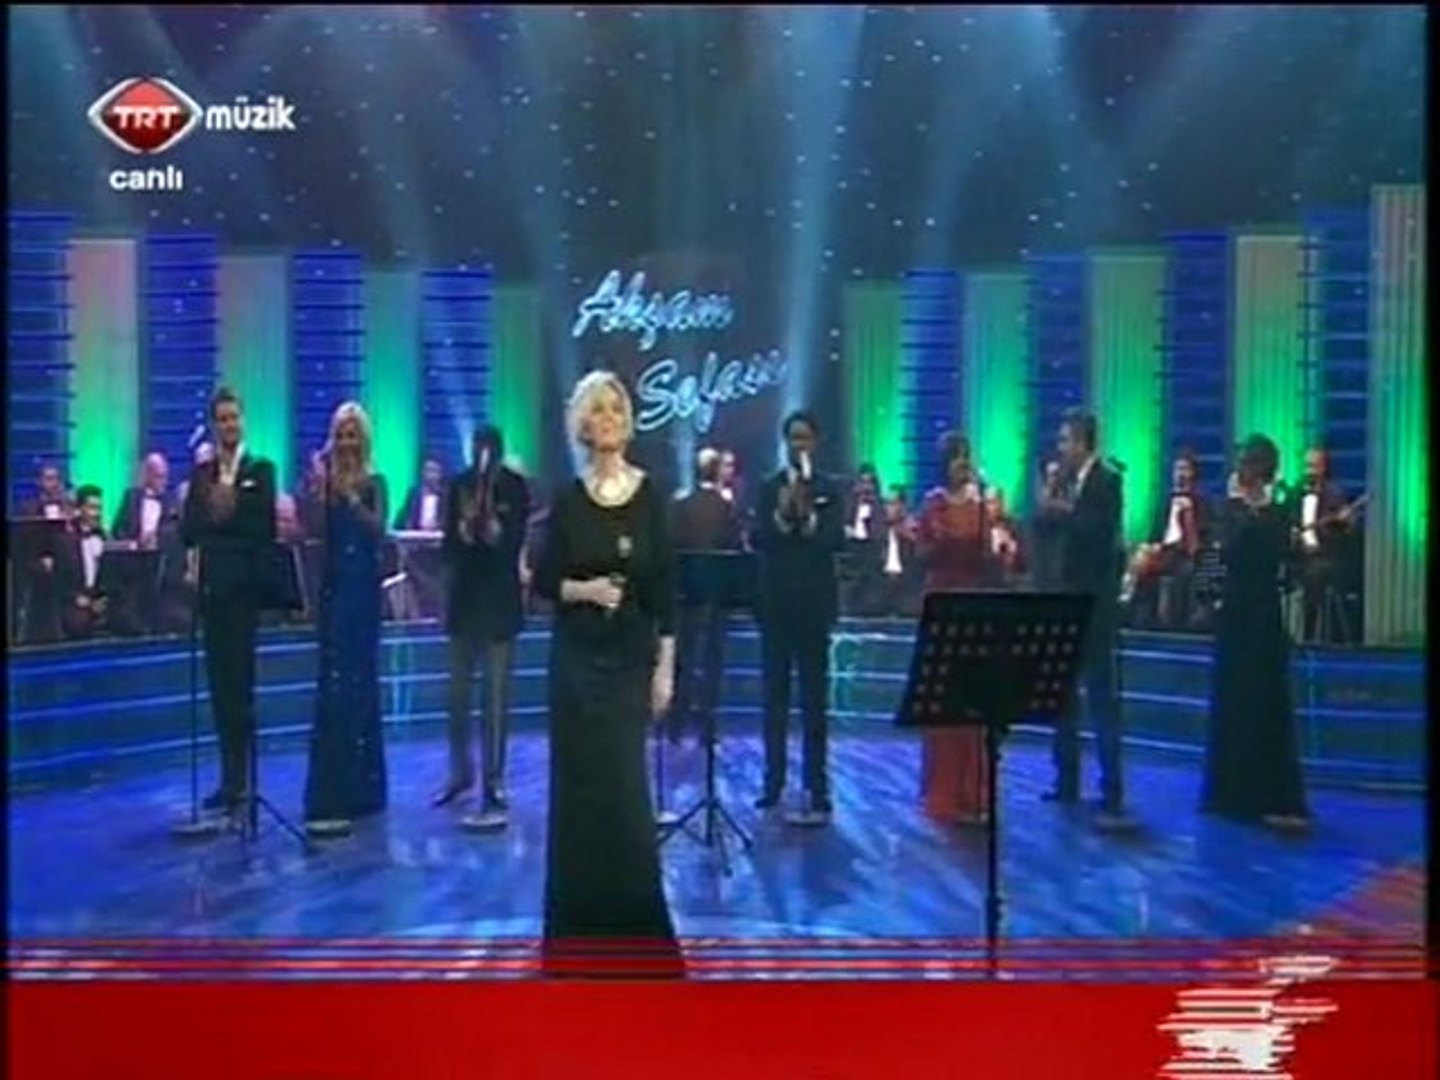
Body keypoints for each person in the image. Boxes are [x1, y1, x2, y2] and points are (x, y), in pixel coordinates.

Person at [533, 370, 680, 973]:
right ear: (583, 426)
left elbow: (665, 589)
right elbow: (544, 580)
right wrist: (586, 589)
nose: (611, 417)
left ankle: (638, 940)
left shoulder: (651, 496)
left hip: (628, 663)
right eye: (598, 409)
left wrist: (665, 669)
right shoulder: (569, 501)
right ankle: (576, 940)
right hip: (575, 664)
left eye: (617, 407)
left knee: (626, 795)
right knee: (579, 797)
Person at [1203, 435, 1309, 829]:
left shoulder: (1278, 514)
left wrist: (1297, 546)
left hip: (1265, 616)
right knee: (1233, 701)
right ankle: (1231, 795)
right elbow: (1215, 555)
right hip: (1234, 616)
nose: (1245, 471)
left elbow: (1287, 562)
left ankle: (1271, 794)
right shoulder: (1226, 510)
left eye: (1251, 464)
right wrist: (1208, 599)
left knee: (1267, 702)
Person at [181, 388, 277, 813]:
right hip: (212, 596)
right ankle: (229, 779)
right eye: (222, 419)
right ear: (214, 425)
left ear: (243, 421)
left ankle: (246, 779)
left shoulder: (261, 470)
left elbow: (262, 529)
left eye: (234, 417)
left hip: (243, 597)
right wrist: (216, 513)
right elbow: (189, 529)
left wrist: (227, 512)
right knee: (220, 691)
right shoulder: (201, 475)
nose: (229, 425)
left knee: (242, 691)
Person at [301, 402, 389, 838]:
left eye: (353, 435)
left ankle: (363, 790)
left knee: (359, 685)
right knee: (333, 688)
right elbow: (315, 532)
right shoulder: (325, 486)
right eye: (341, 435)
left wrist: (351, 497)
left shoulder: (375, 482)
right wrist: (319, 493)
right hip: (334, 592)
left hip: (364, 594)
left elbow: (378, 529)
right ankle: (330, 789)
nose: (347, 443)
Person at [435, 425, 531, 823]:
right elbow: (447, 546)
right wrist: (462, 532)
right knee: (457, 696)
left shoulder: (515, 488)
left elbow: (514, 542)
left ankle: (495, 780)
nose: (483, 455)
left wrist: (494, 534)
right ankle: (460, 773)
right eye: (478, 448)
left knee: (495, 698)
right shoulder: (459, 485)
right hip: (464, 604)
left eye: (489, 448)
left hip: (499, 605)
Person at [753, 410, 846, 821]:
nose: (799, 445)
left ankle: (817, 785)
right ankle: (772, 783)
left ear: (816, 442)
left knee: (814, 703)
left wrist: (809, 520)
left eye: (805, 438)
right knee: (774, 701)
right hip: (776, 608)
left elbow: (836, 539)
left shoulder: (829, 489)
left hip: (813, 607)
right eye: (793, 438)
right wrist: (779, 518)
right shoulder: (768, 487)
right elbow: (757, 538)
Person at [1042, 409, 1132, 830]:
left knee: (1100, 697)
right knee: (1062, 695)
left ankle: (1112, 788)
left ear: (1082, 442)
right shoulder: (1064, 481)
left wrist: (1061, 509)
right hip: (1064, 600)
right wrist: (1051, 498)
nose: (1060, 449)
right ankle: (1066, 780)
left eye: (1065, 441)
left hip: (1095, 607)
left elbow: (1097, 532)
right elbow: (1043, 525)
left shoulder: (1107, 481)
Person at [916, 434, 992, 825]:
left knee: (975, 702)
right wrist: (944, 538)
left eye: (966, 457)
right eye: (955, 458)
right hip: (942, 604)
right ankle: (943, 792)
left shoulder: (984, 505)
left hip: (975, 605)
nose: (962, 464)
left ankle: (974, 792)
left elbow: (993, 555)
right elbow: (921, 554)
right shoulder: (934, 504)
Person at [668, 446, 744, 745]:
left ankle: (676, 725)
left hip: (685, 596)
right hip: (716, 597)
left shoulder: (680, 506)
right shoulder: (727, 508)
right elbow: (735, 549)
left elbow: (671, 548)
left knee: (683, 661)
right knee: (712, 663)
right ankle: (707, 728)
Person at [1293, 447, 1359, 644]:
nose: (1309, 471)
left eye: (1313, 466)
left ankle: (1308, 635)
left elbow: (1349, 532)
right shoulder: (1296, 492)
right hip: (1298, 555)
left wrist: (1347, 522)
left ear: (1323, 468)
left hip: (1326, 557)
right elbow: (1287, 519)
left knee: (1315, 574)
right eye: (1306, 466)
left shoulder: (1335, 494)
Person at [54, 485, 109, 639]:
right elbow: (58, 581)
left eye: (99, 508)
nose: (97, 513)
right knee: (78, 622)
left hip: (101, 598)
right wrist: (77, 599)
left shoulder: (105, 537)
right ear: (79, 509)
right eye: (92, 508)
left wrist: (104, 599)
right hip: (76, 599)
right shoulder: (64, 541)